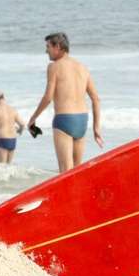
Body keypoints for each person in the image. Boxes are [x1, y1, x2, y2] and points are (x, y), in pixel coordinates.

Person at [28, 33, 104, 172]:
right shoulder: (82, 67)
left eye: (48, 47)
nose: (46, 51)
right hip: (82, 121)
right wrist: (96, 128)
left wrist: (33, 119)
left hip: (64, 120)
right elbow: (96, 99)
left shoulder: (54, 67)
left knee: (65, 172)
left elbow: (48, 97)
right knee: (77, 171)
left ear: (57, 47)